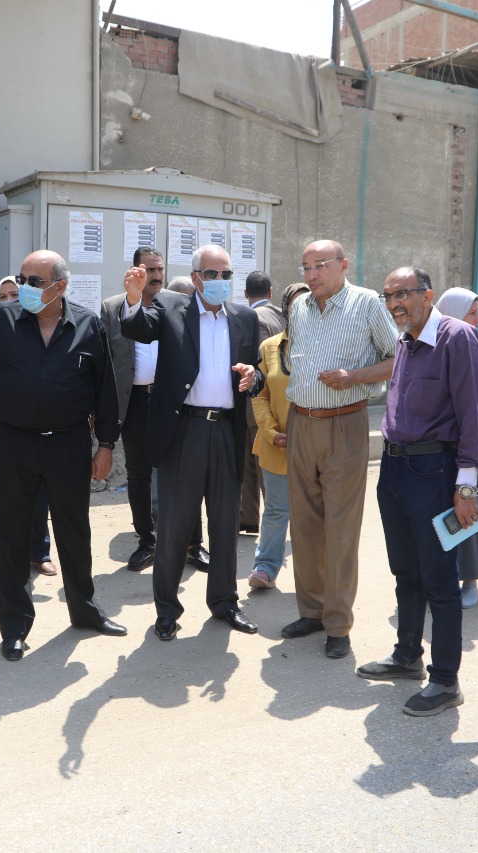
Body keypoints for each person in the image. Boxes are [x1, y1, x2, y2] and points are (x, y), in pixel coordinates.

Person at [0, 250, 126, 661]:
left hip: (67, 443)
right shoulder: (2, 321)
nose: (24, 288)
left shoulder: (88, 325)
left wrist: (105, 446)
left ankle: (85, 611)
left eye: (34, 282)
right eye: (21, 279)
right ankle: (14, 627)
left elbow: (105, 391)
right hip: (12, 443)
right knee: (12, 535)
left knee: (74, 532)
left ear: (61, 286)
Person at [355, 268, 478, 716]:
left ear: (428, 296)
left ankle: (446, 679)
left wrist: (466, 487)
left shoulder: (456, 337)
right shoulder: (404, 339)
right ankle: (407, 656)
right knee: (405, 571)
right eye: (388, 295)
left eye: (403, 294)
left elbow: (473, 414)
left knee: (439, 580)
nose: (395, 303)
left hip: (434, 471)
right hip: (394, 468)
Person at [119, 244, 261, 641]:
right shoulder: (170, 308)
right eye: (212, 274)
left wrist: (254, 377)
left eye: (226, 275)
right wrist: (133, 299)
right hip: (184, 430)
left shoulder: (245, 318)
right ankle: (167, 610)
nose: (220, 281)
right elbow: (137, 328)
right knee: (175, 526)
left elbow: (256, 372)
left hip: (227, 430)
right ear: (196, 277)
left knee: (226, 523)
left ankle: (225, 602)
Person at [281, 240, 397, 659]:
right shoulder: (299, 307)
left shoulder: (366, 304)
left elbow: (398, 357)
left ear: (344, 265)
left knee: (341, 528)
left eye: (320, 265)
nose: (311, 274)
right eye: (306, 267)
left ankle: (338, 623)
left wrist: (354, 377)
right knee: (304, 524)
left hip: (345, 423)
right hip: (300, 422)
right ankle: (311, 611)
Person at [100, 247, 210, 573]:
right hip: (133, 402)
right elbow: (105, 362)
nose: (157, 275)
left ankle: (193, 544)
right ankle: (147, 541)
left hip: (173, 401)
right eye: (150, 269)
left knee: (184, 472)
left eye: (160, 268)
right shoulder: (112, 308)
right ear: (135, 271)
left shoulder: (179, 304)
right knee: (138, 474)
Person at [0, 275, 54, 582]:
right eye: (3, 296)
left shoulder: (39, 328)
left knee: (39, 491)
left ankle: (39, 553)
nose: (8, 301)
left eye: (15, 295)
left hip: (35, 426)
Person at [435, 288, 478, 609]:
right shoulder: (432, 345)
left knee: (473, 506)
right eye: (472, 313)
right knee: (441, 511)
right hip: (441, 440)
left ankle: (470, 580)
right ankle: (441, 576)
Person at [247, 282, 309, 590]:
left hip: (317, 447)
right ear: (285, 310)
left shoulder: (329, 347)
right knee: (275, 509)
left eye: (310, 305)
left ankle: (314, 574)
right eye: (296, 306)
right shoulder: (269, 347)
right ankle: (266, 568)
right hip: (278, 446)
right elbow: (259, 394)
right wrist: (271, 432)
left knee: (314, 513)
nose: (303, 311)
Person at [240, 270, 285, 535]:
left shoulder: (254, 318)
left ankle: (265, 521)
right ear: (270, 292)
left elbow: (258, 368)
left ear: (245, 293)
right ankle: (249, 519)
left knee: (257, 465)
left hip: (258, 405)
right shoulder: (280, 314)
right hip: (280, 401)